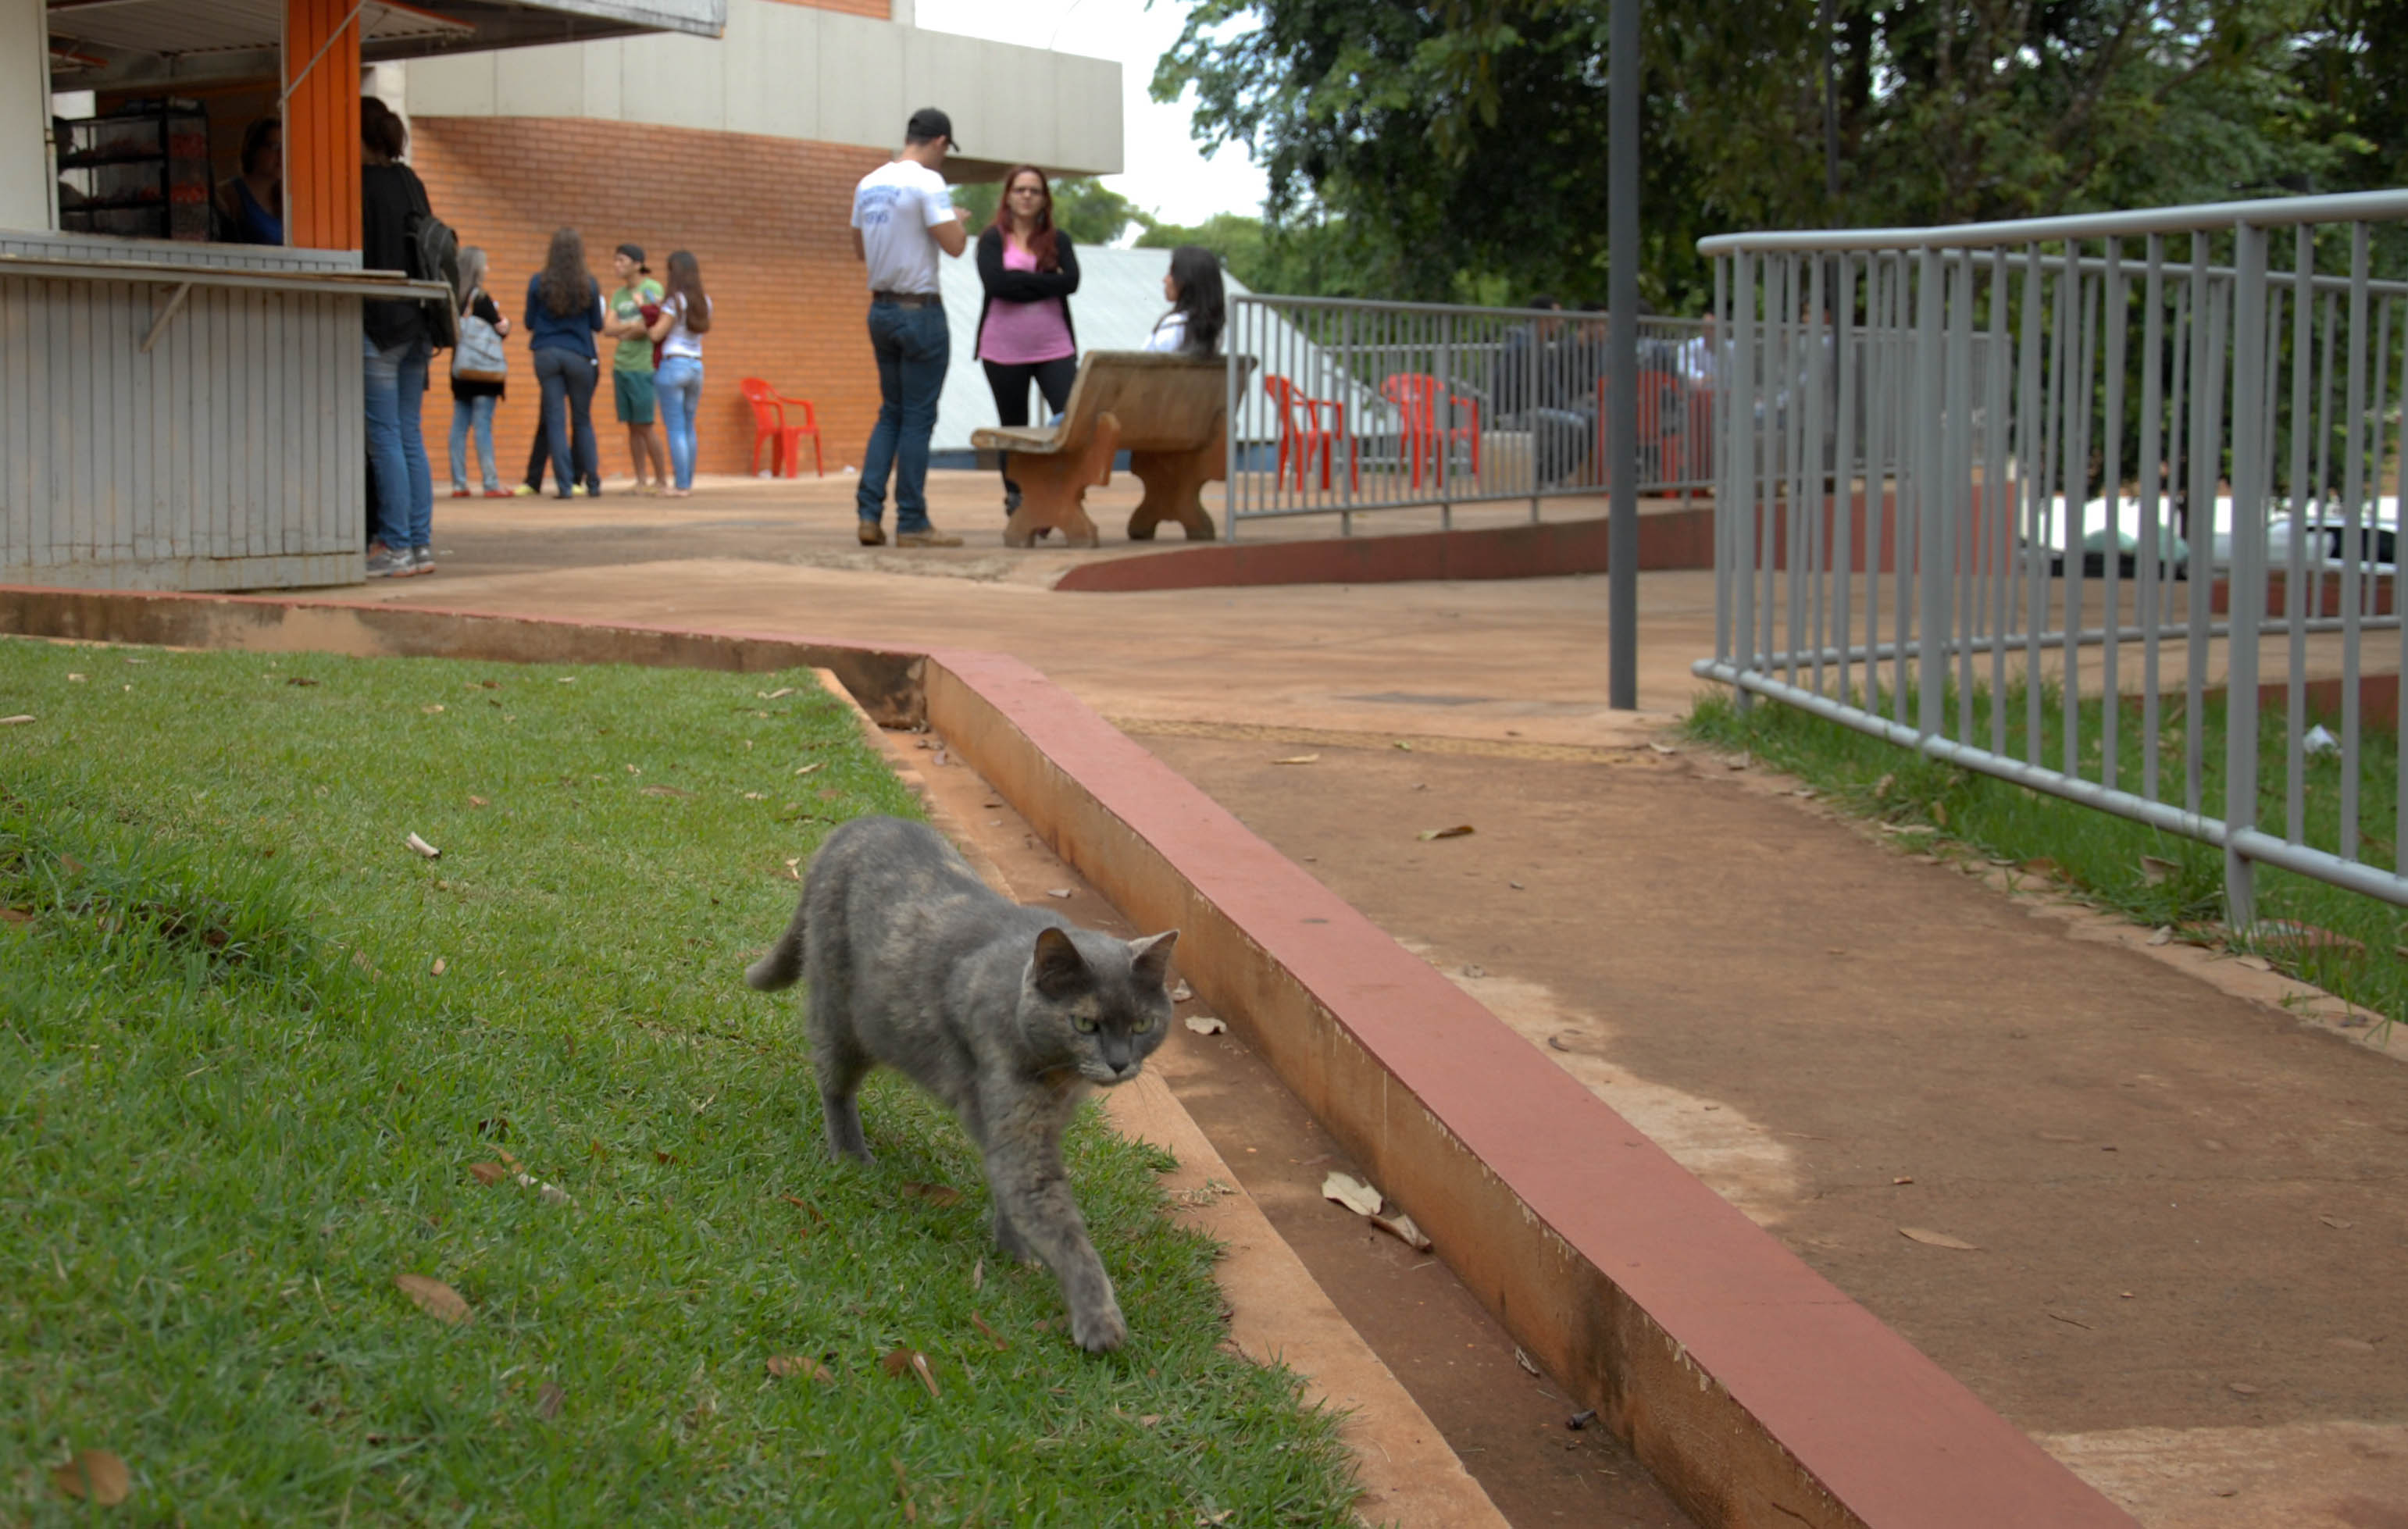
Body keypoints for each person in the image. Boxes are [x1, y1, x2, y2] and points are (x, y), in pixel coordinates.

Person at [850, 106, 972, 547]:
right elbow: (955, 247)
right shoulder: (928, 182)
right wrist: (955, 220)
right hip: (919, 310)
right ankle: (913, 521)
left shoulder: (868, 183)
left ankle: (868, 514)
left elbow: (860, 249)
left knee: (891, 414)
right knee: (918, 419)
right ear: (940, 141)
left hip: (880, 310)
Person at [974, 166, 1083, 519]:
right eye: (1019, 189)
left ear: (1044, 199)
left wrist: (1019, 280)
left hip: (1055, 346)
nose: (1026, 196)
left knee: (1071, 419)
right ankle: (1018, 499)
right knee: (1014, 427)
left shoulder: (1058, 239)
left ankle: (1062, 494)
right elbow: (996, 285)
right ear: (1007, 195)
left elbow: (1072, 283)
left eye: (1034, 191)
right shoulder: (992, 238)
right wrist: (1043, 280)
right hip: (1002, 349)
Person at [359, 97, 435, 578]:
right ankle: (420, 544)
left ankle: (395, 545)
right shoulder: (412, 182)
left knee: (384, 435)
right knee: (409, 433)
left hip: (380, 324)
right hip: (420, 322)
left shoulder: (358, 186)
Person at [525, 227, 606, 500]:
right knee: (582, 420)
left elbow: (528, 322)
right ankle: (592, 482)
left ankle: (564, 485)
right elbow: (597, 324)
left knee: (555, 419)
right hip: (579, 355)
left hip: (547, 353)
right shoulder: (590, 285)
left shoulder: (539, 282)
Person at [603, 243, 667, 495]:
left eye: (621, 260)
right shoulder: (619, 295)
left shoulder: (652, 289)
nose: (617, 265)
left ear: (637, 264)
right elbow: (607, 328)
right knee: (631, 425)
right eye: (615, 260)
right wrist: (630, 328)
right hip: (622, 365)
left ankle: (661, 479)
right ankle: (641, 479)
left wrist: (625, 328)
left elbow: (649, 325)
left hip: (643, 366)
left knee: (645, 424)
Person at [646, 250, 712, 497]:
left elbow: (656, 334)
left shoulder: (675, 301)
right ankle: (687, 482)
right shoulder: (705, 301)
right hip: (696, 365)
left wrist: (649, 317)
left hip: (673, 364)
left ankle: (681, 486)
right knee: (688, 425)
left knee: (675, 427)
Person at [448, 247, 512, 498]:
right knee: (483, 424)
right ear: (476, 268)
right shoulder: (481, 298)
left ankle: (459, 483)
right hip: (484, 374)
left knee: (459, 426)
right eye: (484, 265)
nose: (488, 269)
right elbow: (499, 329)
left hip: (461, 371)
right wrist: (504, 327)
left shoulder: (454, 296)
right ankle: (490, 482)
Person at [1141, 245, 1225, 356]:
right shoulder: (1216, 334)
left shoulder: (1173, 326)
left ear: (1186, 280)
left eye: (1171, 273)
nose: (1165, 280)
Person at [212, 116, 282, 246]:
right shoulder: (226, 196)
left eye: (286, 147)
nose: (282, 154)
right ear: (254, 149)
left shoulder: (286, 199)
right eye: (274, 147)